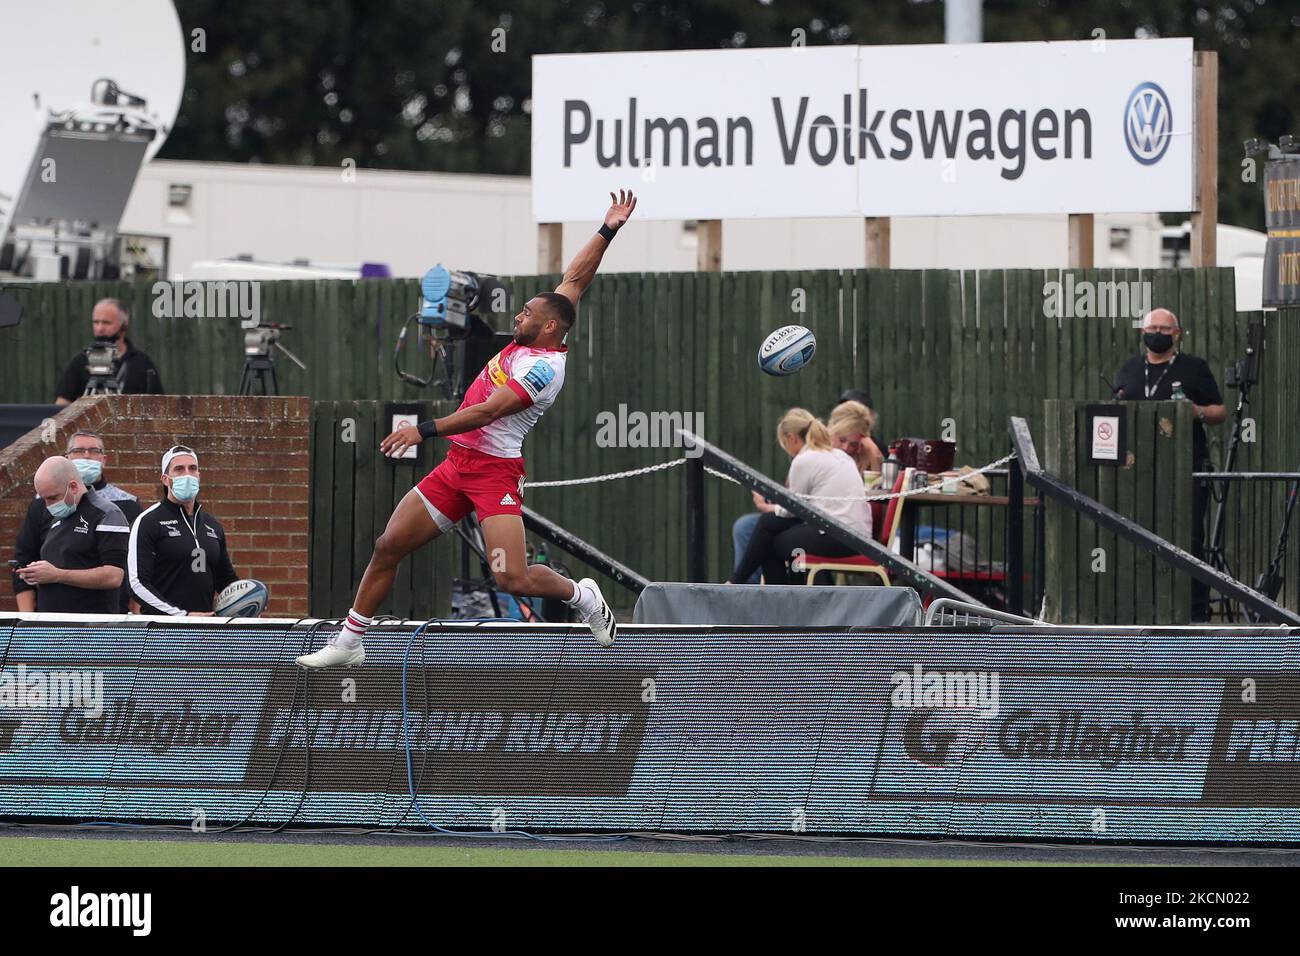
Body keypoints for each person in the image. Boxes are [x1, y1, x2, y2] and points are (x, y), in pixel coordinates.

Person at [296, 190, 638, 668]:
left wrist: (424, 429)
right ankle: (349, 643)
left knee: (511, 578)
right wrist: (608, 229)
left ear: (549, 328)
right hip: (458, 467)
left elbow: (485, 413)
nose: (518, 317)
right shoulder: (549, 321)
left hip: (494, 473)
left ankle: (581, 596)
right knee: (388, 545)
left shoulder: (544, 369)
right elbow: (576, 278)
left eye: (527, 315)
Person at [1112, 307, 1226, 621]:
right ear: (1142, 332)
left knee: (1188, 537)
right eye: (1153, 328)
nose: (1158, 334)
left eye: (1165, 329)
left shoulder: (1194, 368)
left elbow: (1219, 411)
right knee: (1137, 533)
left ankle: (1195, 610)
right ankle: (1139, 607)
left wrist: (1195, 413)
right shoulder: (1130, 368)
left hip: (1185, 466)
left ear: (1177, 334)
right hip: (1137, 468)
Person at [726, 408, 872, 586]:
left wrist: (767, 507)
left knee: (768, 543)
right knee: (768, 524)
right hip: (853, 535)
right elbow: (801, 508)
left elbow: (791, 510)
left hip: (839, 536)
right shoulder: (838, 455)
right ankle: (743, 582)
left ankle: (760, 591)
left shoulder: (804, 460)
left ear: (791, 438)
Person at [128, 445, 238, 616]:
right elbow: (137, 584)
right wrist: (181, 616)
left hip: (205, 630)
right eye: (179, 469)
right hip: (164, 632)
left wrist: (247, 599)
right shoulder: (148, 521)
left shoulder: (212, 525)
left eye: (192, 468)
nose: (187, 474)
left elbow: (226, 580)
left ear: (199, 476)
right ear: (165, 479)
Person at [11, 457, 130, 613]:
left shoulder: (107, 513)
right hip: (52, 625)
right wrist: (36, 574)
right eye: (44, 498)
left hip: (91, 626)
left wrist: (58, 575)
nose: (48, 505)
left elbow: (114, 576)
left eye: (52, 497)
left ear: (73, 486)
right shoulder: (60, 514)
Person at [63, 430, 141, 612]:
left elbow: (137, 562)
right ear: (66, 458)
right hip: (59, 610)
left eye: (94, 451)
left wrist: (135, 610)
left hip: (112, 610)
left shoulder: (128, 503)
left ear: (104, 459)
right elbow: (27, 555)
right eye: (79, 450)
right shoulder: (49, 501)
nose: (87, 456)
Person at [54, 298, 164, 404]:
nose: (100, 328)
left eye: (106, 323)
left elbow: (159, 406)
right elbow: (62, 405)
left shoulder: (142, 363)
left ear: (124, 325)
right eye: (96, 322)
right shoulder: (80, 361)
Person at [829, 399, 884, 473]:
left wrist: (873, 452)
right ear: (832, 430)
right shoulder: (817, 452)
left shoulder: (864, 455)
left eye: (853, 444)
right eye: (842, 440)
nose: (845, 448)